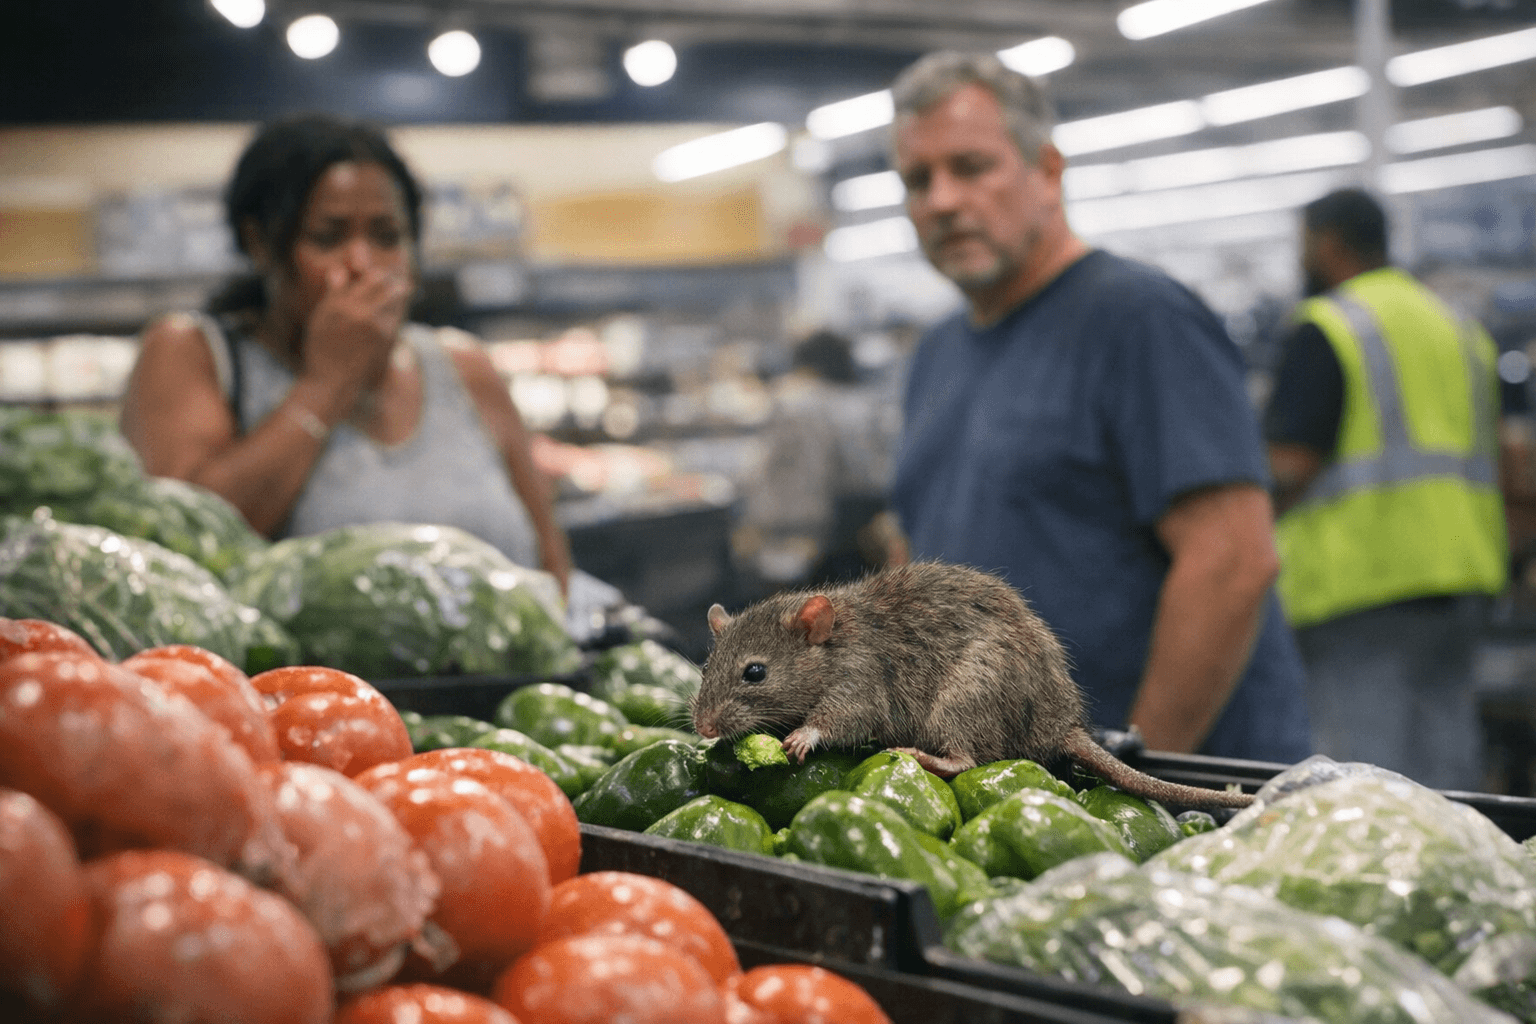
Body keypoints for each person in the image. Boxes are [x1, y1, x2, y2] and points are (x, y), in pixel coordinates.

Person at [884, 50, 1312, 764]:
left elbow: (1232, 559)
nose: (943, 200)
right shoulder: (937, 355)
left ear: (1046, 172)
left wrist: (1129, 776)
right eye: (918, 179)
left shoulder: (1141, 319)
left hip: (1176, 799)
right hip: (1016, 795)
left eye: (971, 166)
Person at [119, 113, 573, 593]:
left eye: (387, 236)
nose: (363, 264)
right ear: (260, 244)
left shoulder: (464, 367)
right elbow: (185, 556)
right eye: (328, 237)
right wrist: (327, 384)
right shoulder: (193, 352)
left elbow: (550, 561)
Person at [1263, 187, 1507, 790]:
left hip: (1362, 582)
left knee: (1364, 781)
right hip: (1463, 574)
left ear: (1327, 243)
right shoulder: (1459, 327)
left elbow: (1290, 466)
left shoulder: (1330, 325)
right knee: (1447, 761)